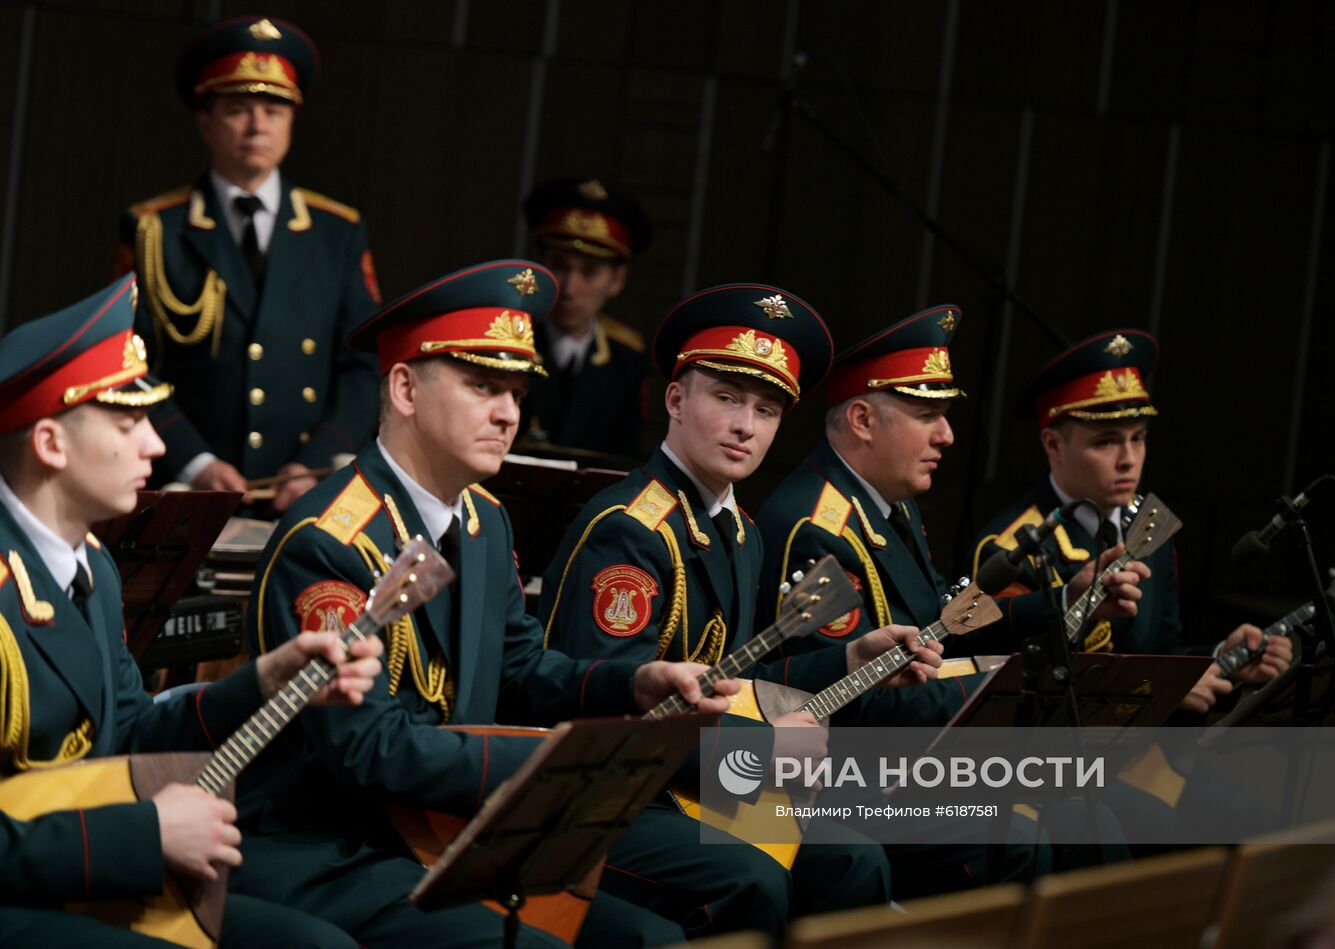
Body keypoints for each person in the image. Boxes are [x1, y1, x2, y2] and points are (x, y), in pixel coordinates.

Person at [238, 260, 735, 947]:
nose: (508, 412)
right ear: (406, 388)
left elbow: (522, 668)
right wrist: (545, 766)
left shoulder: (483, 519)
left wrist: (633, 683)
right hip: (331, 847)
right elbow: (365, 751)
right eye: (482, 386)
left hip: (447, 829)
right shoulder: (329, 542)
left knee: (648, 939)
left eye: (516, 392)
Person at [537, 284, 956, 931]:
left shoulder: (740, 529)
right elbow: (610, 716)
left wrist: (849, 659)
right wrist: (760, 750)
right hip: (617, 795)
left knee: (853, 859)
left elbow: (734, 681)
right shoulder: (630, 530)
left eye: (766, 409)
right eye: (727, 398)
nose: (745, 425)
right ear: (677, 399)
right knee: (751, 878)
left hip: (695, 780)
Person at [0, 274, 384, 948]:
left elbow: (130, 730)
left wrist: (264, 681)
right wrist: (144, 834)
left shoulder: (91, 564)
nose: (155, 445)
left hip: (78, 874)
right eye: (129, 421)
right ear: (51, 445)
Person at [754, 306, 1138, 891]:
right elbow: (836, 700)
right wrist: (1004, 693)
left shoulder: (888, 500)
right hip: (835, 779)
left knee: (1083, 812)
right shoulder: (817, 527)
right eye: (928, 414)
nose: (947, 435)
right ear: (862, 419)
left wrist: (1064, 601)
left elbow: (945, 621)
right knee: (1029, 830)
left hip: (902, 758)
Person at [966, 329, 1292, 846]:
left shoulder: (1151, 531)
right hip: (1058, 773)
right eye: (1105, 442)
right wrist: (1165, 690)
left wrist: (1215, 659)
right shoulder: (1010, 549)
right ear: (1053, 443)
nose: (1128, 459)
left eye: (1137, 438)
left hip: (1145, 755)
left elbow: (1160, 650)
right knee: (1160, 836)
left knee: (1269, 826)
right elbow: (1016, 703)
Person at [115, 16, 380, 511]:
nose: (259, 125)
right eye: (239, 109)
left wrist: (317, 461)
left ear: (291, 122)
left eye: (274, 110)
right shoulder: (155, 229)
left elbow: (364, 365)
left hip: (305, 492)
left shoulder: (336, 232)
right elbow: (128, 362)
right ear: (206, 123)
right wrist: (195, 462)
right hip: (185, 491)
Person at [520, 177, 650, 458]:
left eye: (590, 272)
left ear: (617, 280)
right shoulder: (510, 338)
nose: (569, 288)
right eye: (559, 266)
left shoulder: (626, 358)